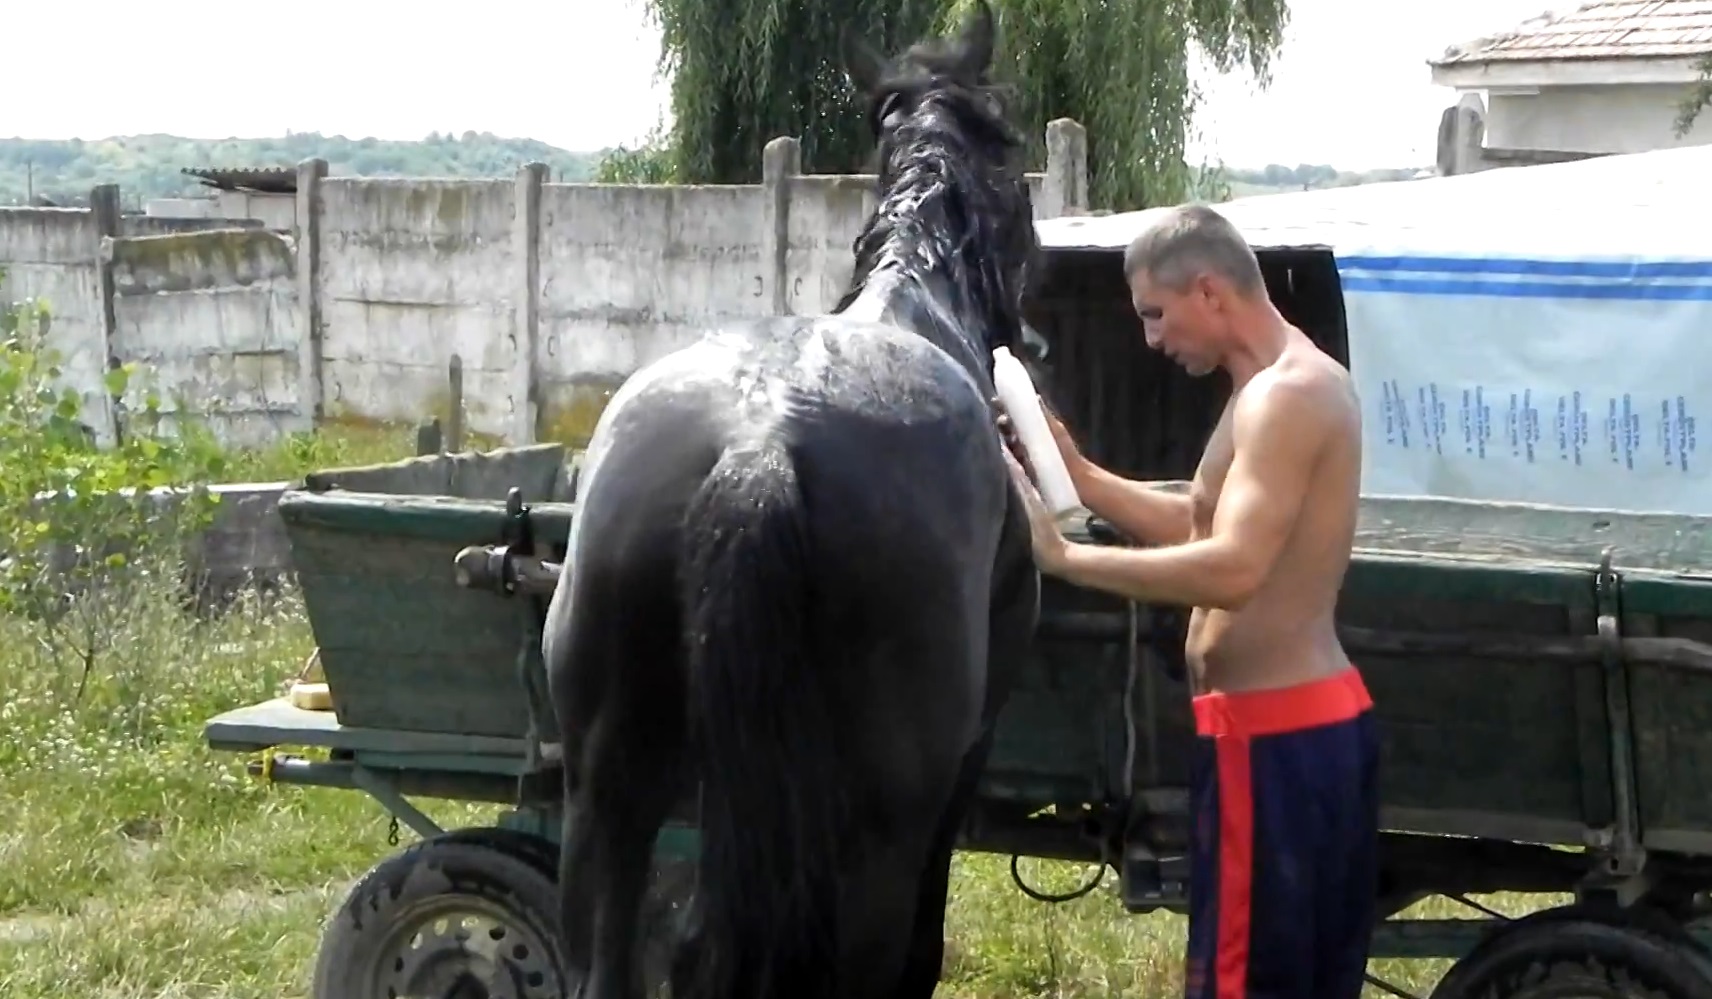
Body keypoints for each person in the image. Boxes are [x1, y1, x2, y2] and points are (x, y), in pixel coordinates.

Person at [997, 203, 1379, 999]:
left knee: (1245, 982)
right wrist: (1083, 474)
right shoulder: (1270, 387)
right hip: (1283, 729)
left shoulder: (1287, 396)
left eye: (1155, 313)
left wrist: (1067, 559)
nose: (1150, 337)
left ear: (1209, 291)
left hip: (1277, 735)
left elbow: (1235, 567)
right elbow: (1202, 518)